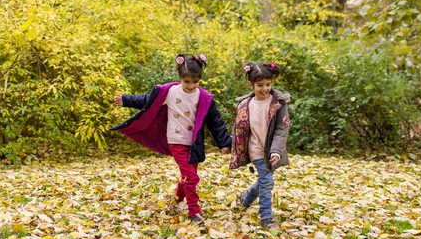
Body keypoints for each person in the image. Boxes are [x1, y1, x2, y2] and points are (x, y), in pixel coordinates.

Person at [112, 54, 231, 225]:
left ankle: (176, 201)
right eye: (187, 81)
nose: (191, 86)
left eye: (195, 82)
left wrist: (224, 143)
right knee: (191, 177)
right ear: (180, 78)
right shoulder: (170, 92)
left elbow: (216, 121)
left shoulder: (204, 98)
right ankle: (194, 212)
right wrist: (126, 100)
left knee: (188, 175)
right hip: (176, 141)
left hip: (194, 143)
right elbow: (148, 100)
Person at [229, 63, 290, 229]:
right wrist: (232, 143)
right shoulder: (245, 105)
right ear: (251, 85)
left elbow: (282, 128)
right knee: (267, 182)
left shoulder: (278, 105)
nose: (265, 89)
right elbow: (239, 128)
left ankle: (246, 198)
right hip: (255, 149)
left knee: (264, 181)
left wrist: (276, 150)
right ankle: (266, 216)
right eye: (260, 85)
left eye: (268, 85)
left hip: (272, 150)